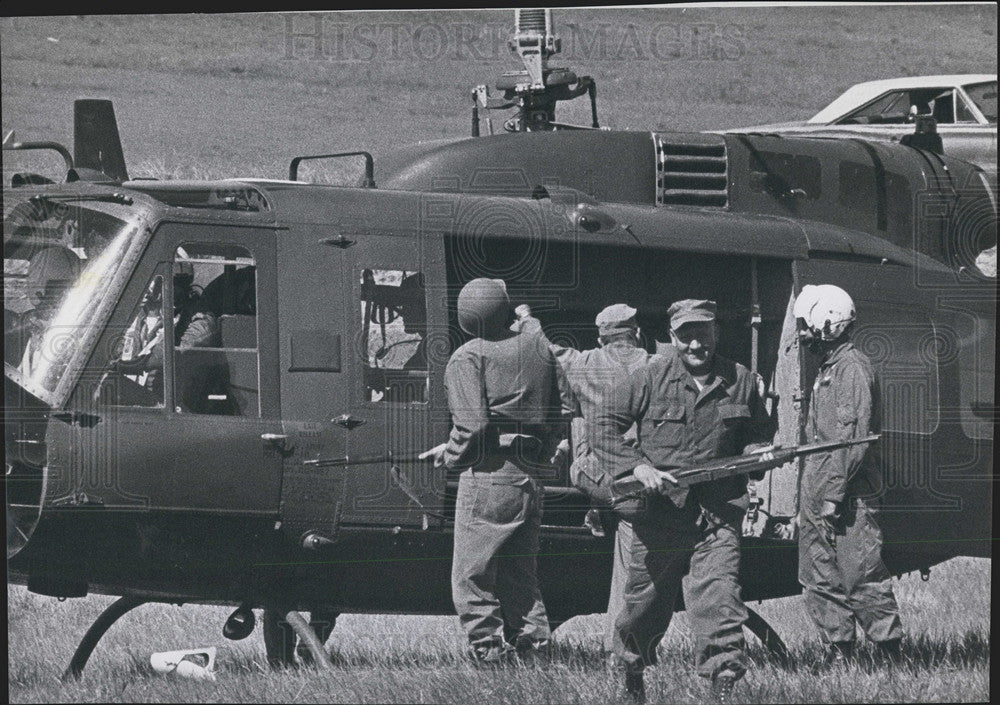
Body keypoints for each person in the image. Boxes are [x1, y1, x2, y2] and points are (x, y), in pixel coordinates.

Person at [592, 299, 774, 703]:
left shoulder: (740, 379)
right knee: (644, 605)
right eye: (686, 335)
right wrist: (637, 468)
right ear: (673, 338)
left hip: (718, 515)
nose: (696, 344)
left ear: (716, 334)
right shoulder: (649, 378)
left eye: (703, 334)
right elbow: (602, 424)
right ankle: (632, 676)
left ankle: (722, 684)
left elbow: (758, 431)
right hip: (661, 515)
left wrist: (761, 451)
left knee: (720, 601)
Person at [426, 277, 570, 665]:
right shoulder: (538, 347)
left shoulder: (468, 356)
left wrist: (453, 455)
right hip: (530, 474)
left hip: (489, 475)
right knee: (520, 573)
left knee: (470, 576)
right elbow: (563, 407)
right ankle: (535, 653)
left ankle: (489, 654)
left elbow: (472, 426)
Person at [514, 303, 657, 654]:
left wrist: (527, 318)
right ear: (636, 332)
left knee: (580, 419)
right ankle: (621, 648)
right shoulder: (658, 365)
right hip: (643, 478)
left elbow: (544, 349)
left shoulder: (586, 363)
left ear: (600, 337)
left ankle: (599, 510)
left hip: (596, 476)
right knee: (631, 562)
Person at [792, 284, 903, 666]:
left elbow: (852, 440)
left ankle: (890, 657)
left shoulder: (851, 368)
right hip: (820, 492)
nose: (801, 334)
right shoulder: (829, 368)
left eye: (805, 326)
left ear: (826, 324)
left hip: (848, 496)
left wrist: (832, 496)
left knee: (860, 576)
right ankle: (840, 654)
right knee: (818, 578)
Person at [113, 270, 220, 409]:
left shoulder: (197, 318)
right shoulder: (136, 317)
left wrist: (138, 363)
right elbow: (116, 349)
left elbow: (185, 347)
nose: (145, 289)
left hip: (173, 405)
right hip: (134, 401)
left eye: (153, 281)